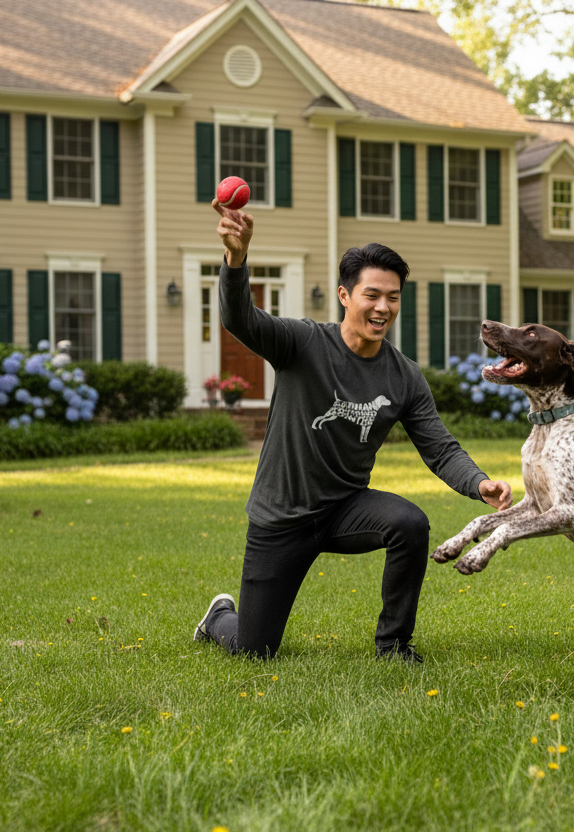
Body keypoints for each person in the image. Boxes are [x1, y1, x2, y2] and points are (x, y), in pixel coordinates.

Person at [194, 199, 513, 662]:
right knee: (254, 649)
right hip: (281, 517)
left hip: (345, 510)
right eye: (372, 295)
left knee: (409, 523)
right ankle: (219, 617)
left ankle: (394, 645)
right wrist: (237, 260)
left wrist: (478, 482)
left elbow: (439, 447)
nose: (383, 307)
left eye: (393, 297)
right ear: (345, 296)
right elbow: (239, 320)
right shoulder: (301, 344)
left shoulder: (404, 376)